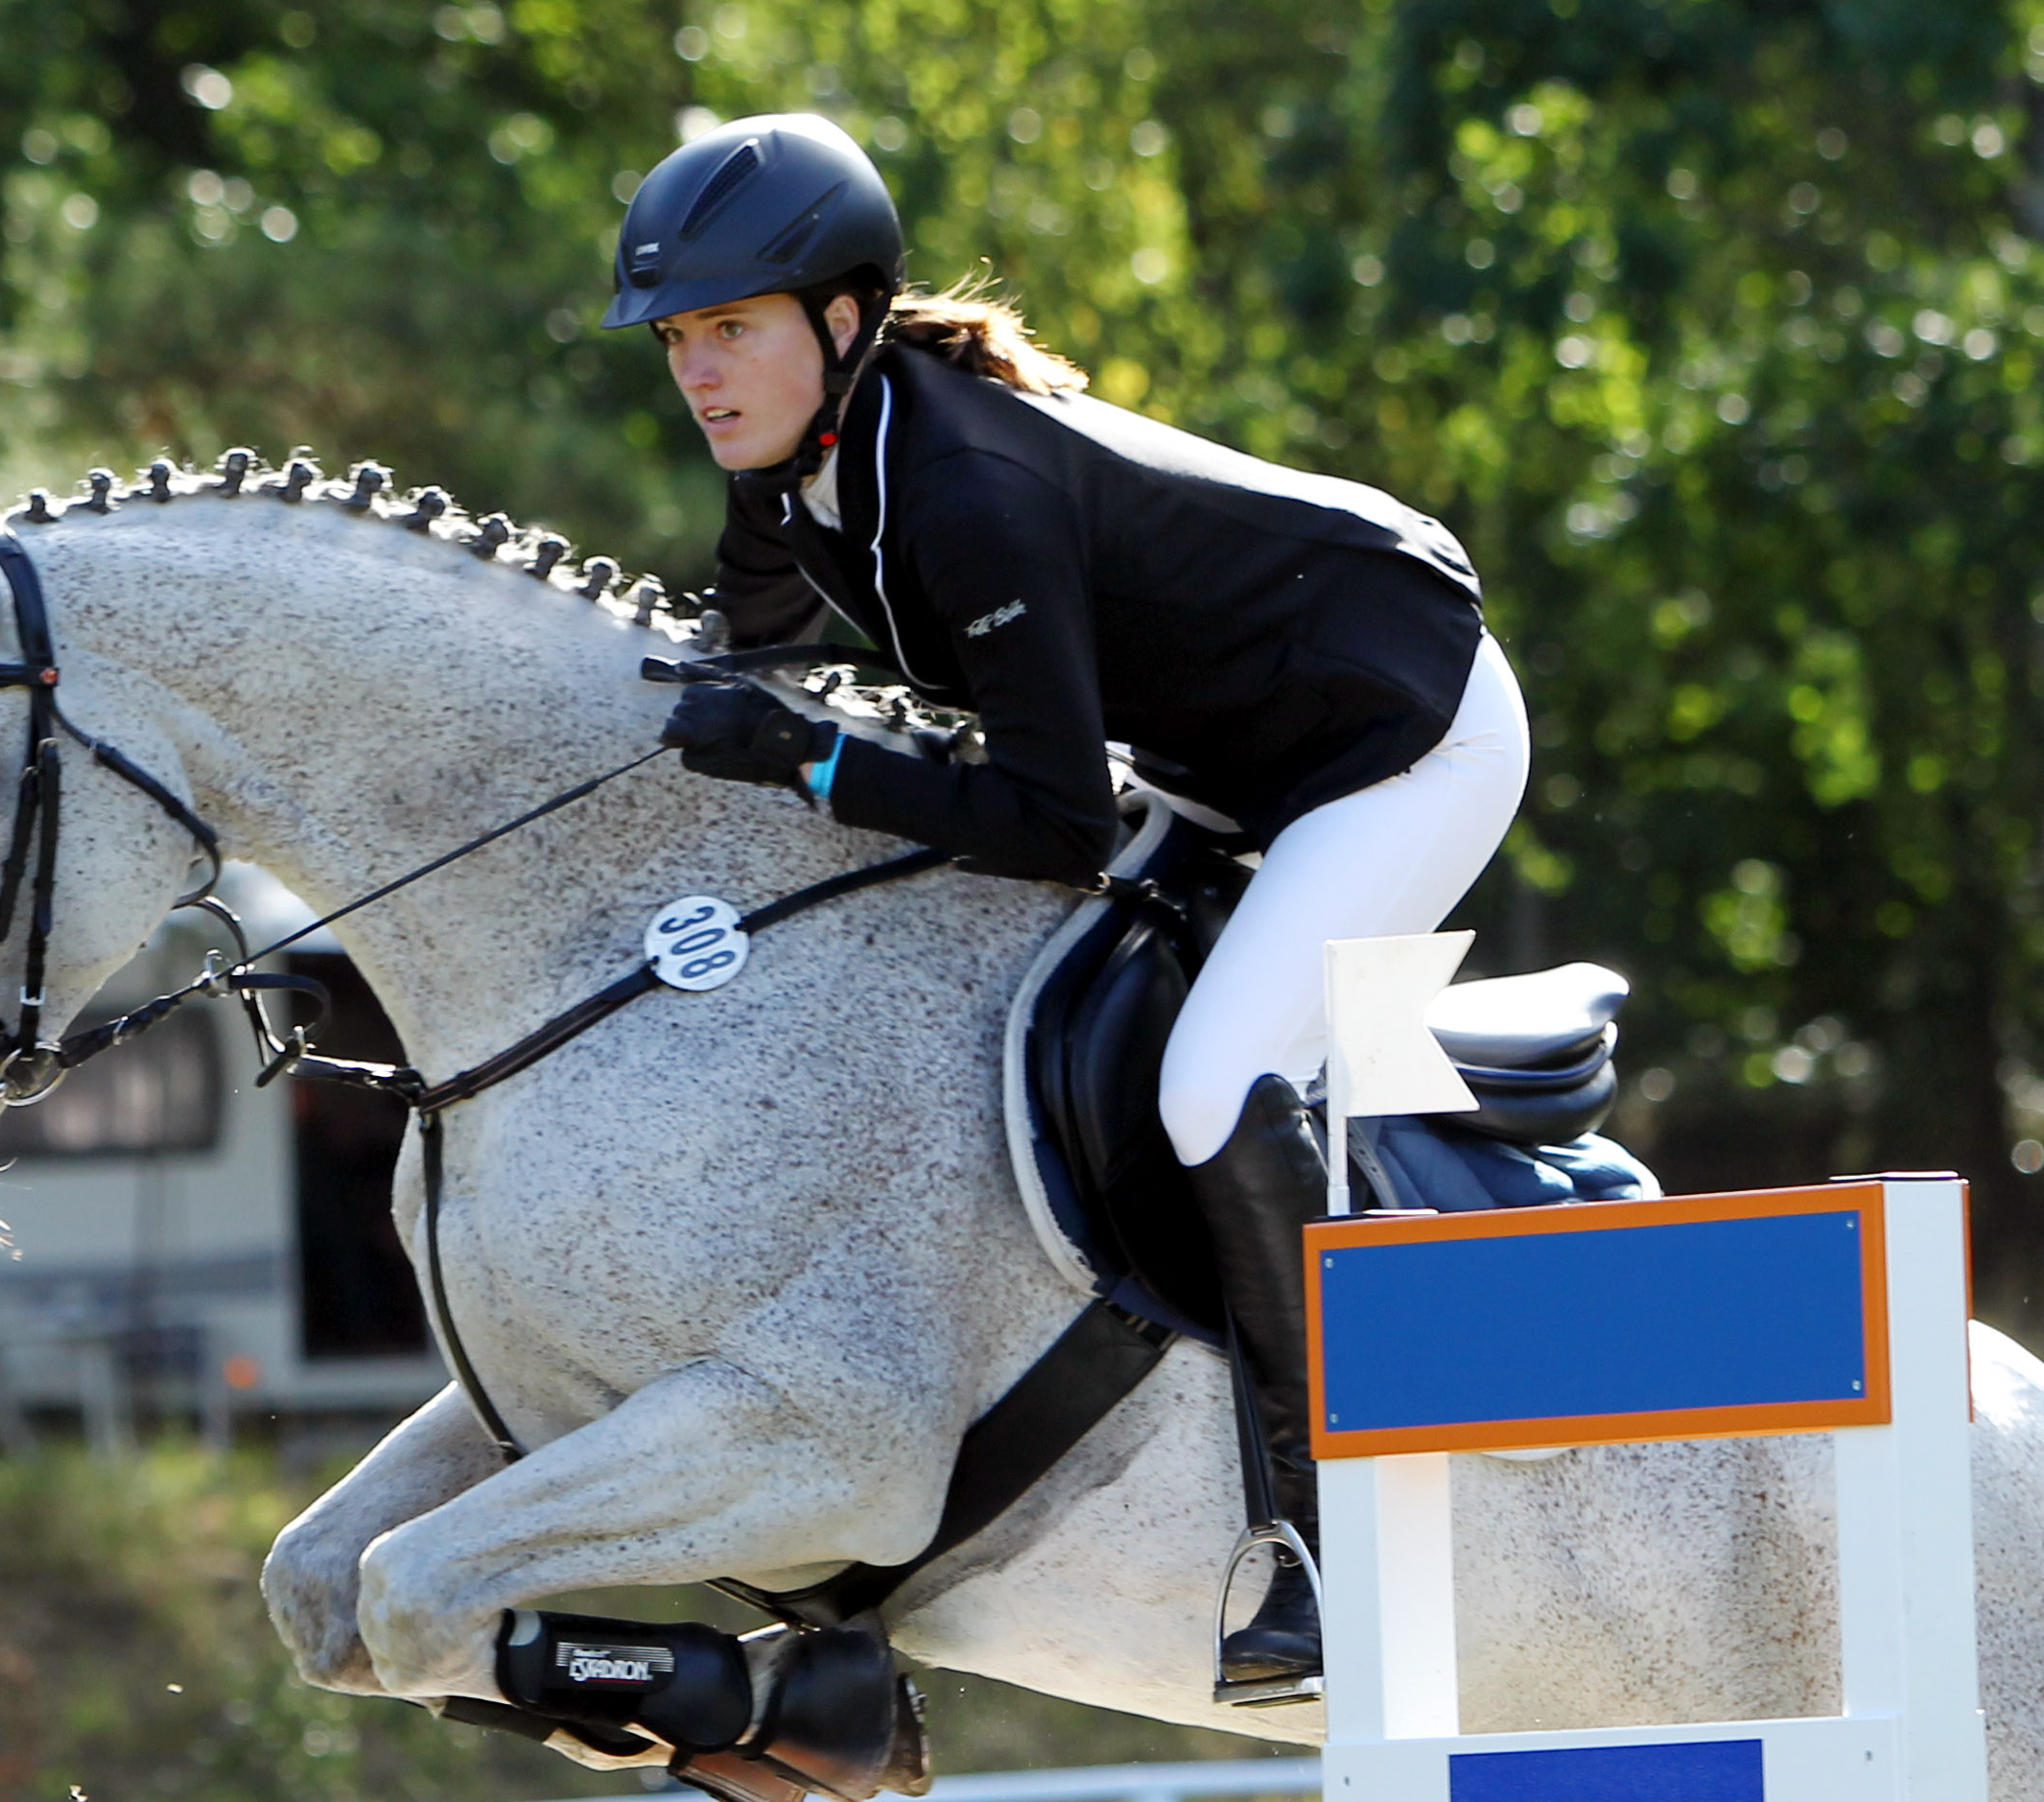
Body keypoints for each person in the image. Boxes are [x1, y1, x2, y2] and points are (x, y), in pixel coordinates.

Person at [609, 112, 1531, 1702]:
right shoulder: (791, 478)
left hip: (1400, 733)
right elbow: (724, 670)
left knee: (1207, 1082)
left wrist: (821, 765)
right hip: (1232, 748)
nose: (700, 371)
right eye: (682, 338)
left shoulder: (962, 484)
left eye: (731, 329)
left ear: (841, 322)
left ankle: (1328, 1548)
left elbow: (1050, 817)